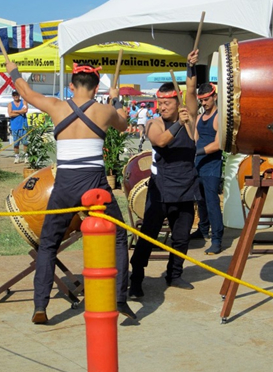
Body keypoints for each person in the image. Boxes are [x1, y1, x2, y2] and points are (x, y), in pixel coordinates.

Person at [5, 61, 136, 323]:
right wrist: (116, 99)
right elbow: (123, 125)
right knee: (119, 237)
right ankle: (120, 297)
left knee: (49, 244)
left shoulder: (56, 106)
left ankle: (40, 306)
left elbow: (27, 94)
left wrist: (13, 71)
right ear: (97, 87)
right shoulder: (105, 110)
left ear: (71, 85)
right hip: (94, 182)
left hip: (64, 182)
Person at [129, 50, 200, 298]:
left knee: (181, 238)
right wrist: (178, 125)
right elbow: (159, 142)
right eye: (159, 102)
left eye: (167, 103)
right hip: (161, 190)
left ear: (177, 103)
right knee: (148, 237)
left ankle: (175, 274)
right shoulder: (154, 123)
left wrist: (190, 66)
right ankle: (136, 277)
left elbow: (191, 92)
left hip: (186, 188)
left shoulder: (189, 117)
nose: (161, 107)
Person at [189, 82, 224, 255]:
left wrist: (197, 151)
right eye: (201, 100)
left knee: (212, 203)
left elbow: (218, 144)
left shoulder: (219, 117)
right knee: (200, 201)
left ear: (214, 96)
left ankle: (217, 239)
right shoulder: (199, 118)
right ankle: (202, 230)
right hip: (198, 164)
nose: (204, 103)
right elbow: (195, 138)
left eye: (206, 99)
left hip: (211, 166)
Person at [8, 90, 29, 164]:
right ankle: (17, 157)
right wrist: (20, 112)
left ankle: (26, 157)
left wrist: (15, 111)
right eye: (14, 95)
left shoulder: (23, 102)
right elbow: (10, 114)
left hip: (23, 126)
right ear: (12, 96)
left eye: (17, 95)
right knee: (16, 144)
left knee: (25, 143)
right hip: (15, 126)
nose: (16, 96)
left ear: (19, 95)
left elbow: (25, 110)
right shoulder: (10, 104)